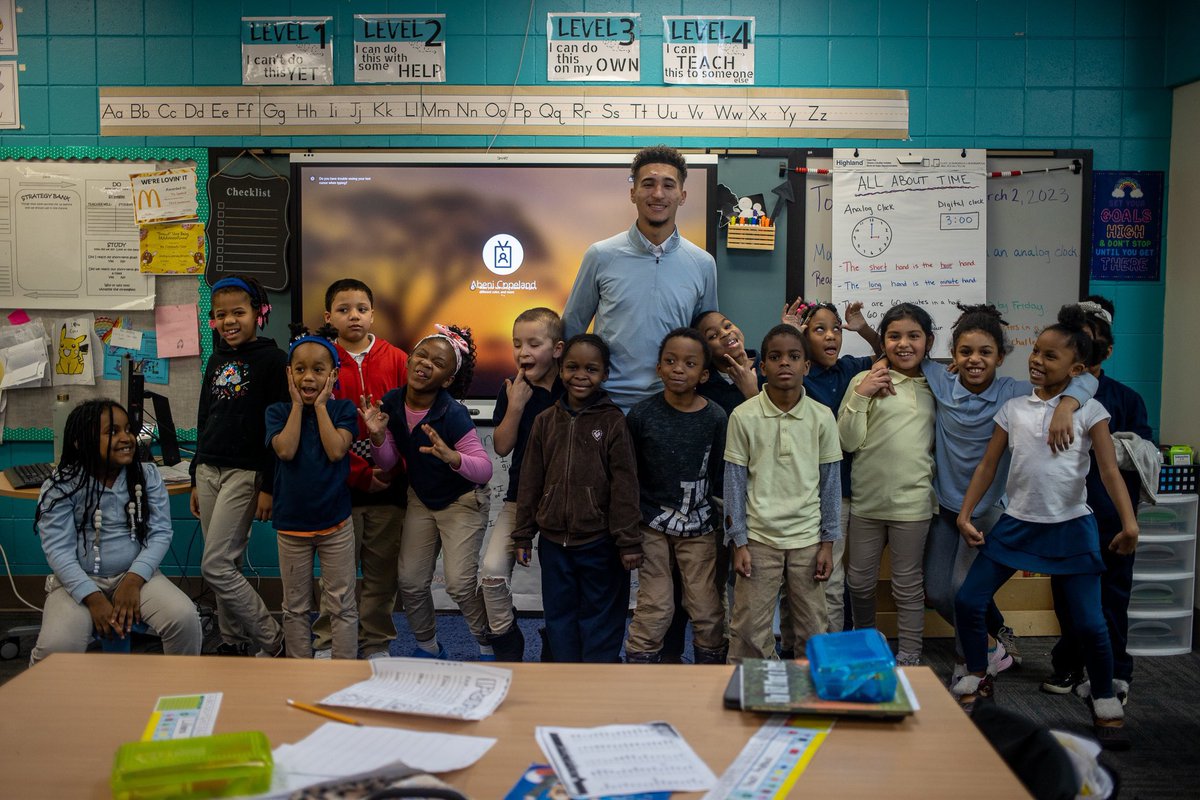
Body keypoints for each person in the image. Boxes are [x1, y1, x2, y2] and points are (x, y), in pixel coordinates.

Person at [954, 310, 1138, 749]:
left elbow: (1111, 472)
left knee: (1091, 625)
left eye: (1049, 355)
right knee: (968, 599)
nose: (1036, 359)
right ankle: (978, 675)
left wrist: (1130, 523)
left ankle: (1104, 698)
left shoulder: (1089, 409)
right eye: (1035, 351)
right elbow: (988, 464)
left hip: (1071, 527)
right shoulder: (1014, 408)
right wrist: (965, 514)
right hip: (1017, 524)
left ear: (1075, 369)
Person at [922, 303, 1095, 681]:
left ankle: (969, 665)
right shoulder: (938, 379)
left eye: (986, 352)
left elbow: (1086, 381)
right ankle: (990, 645)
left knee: (960, 591)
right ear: (952, 355)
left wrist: (1068, 403)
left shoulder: (1014, 392)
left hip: (987, 510)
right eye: (965, 352)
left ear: (1001, 356)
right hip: (945, 508)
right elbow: (904, 351)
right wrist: (867, 333)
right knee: (935, 593)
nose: (974, 360)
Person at [30, 400, 202, 664]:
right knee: (58, 645)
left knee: (184, 618)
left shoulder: (146, 476)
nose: (126, 438)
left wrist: (133, 580)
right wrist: (93, 598)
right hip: (77, 581)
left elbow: (160, 533)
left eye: (128, 430)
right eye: (112, 432)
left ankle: (181, 692)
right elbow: (58, 551)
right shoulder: (62, 485)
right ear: (80, 441)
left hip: (136, 576)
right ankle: (43, 702)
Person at [1043, 297, 1153, 707]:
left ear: (1104, 351)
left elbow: (1141, 454)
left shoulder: (1124, 399)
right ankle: (1069, 662)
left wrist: (1099, 441)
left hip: (1108, 517)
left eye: (1091, 346)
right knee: (1067, 597)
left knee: (1111, 598)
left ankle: (1116, 673)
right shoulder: (1049, 396)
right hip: (1064, 515)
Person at [366, 324, 494, 660]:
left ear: (448, 379)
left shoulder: (452, 413)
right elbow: (390, 460)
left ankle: (488, 644)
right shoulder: (393, 402)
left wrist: (454, 458)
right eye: (421, 355)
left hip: (463, 501)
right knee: (410, 581)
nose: (426, 364)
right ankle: (428, 648)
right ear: (409, 360)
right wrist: (378, 438)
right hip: (422, 498)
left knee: (460, 585)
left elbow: (484, 469)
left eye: (437, 363)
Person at [512, 334, 642, 663]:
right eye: (572, 367)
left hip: (600, 544)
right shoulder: (544, 422)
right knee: (560, 617)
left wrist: (628, 541)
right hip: (555, 544)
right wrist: (523, 533)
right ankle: (565, 677)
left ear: (606, 374)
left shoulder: (613, 422)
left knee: (600, 618)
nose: (581, 375)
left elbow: (625, 484)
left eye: (591, 369)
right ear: (560, 369)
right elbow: (530, 481)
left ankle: (599, 678)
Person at [563, 146, 718, 412]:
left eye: (668, 185)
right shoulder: (600, 255)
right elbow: (571, 329)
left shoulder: (703, 264)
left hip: (672, 408)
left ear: (682, 196)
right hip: (606, 407)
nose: (658, 194)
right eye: (648, 184)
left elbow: (705, 339)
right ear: (632, 193)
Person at [725, 324, 842, 661]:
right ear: (762, 368)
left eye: (794, 357)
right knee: (749, 628)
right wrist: (739, 541)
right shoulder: (743, 417)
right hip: (759, 540)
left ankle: (809, 696)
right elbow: (733, 482)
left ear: (806, 366)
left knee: (813, 627)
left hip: (808, 540)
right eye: (775, 357)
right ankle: (757, 692)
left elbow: (830, 484)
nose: (784, 364)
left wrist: (827, 544)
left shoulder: (822, 418)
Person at [310, 278, 408, 660]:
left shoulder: (398, 359)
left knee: (381, 572)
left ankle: (376, 641)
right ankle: (327, 640)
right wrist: (361, 474)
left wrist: (389, 467)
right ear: (328, 316)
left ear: (373, 314)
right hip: (341, 486)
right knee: (337, 573)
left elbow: (405, 422)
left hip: (390, 487)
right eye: (343, 309)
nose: (354, 316)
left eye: (361, 309)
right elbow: (321, 428)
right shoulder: (322, 362)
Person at [191, 275, 288, 657]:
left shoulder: (274, 359)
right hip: (208, 470)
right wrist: (195, 473)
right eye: (220, 315)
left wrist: (268, 485)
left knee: (215, 564)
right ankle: (233, 641)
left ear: (258, 313)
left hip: (245, 473)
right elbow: (204, 417)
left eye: (238, 312)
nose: (229, 321)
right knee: (225, 564)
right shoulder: (216, 359)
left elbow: (276, 427)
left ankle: (272, 638)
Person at [837, 303, 936, 666]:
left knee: (907, 586)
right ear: (885, 342)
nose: (904, 344)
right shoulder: (864, 381)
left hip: (913, 505)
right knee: (859, 583)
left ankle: (910, 656)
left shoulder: (936, 386)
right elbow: (846, 441)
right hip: (867, 502)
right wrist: (862, 394)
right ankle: (866, 642)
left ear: (928, 341)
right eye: (894, 336)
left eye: (914, 336)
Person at [624, 328, 728, 665]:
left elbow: (719, 473)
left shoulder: (715, 416)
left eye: (689, 363)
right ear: (658, 368)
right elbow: (630, 473)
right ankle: (640, 667)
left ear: (704, 373)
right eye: (670, 361)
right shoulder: (641, 415)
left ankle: (709, 672)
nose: (678, 369)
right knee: (655, 604)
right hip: (650, 523)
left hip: (700, 526)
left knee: (706, 606)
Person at [789, 299, 883, 638]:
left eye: (835, 329)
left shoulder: (848, 369)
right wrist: (790, 335)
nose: (831, 336)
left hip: (838, 490)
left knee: (830, 575)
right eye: (819, 330)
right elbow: (760, 379)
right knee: (796, 572)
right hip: (797, 490)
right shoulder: (795, 373)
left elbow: (889, 354)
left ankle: (831, 646)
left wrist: (865, 329)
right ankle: (795, 643)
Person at [266, 325, 359, 659]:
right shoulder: (277, 412)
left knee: (341, 603)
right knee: (294, 606)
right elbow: (286, 450)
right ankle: (298, 671)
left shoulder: (343, 410)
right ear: (289, 374)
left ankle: (345, 668)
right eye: (300, 370)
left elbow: (336, 451)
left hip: (335, 524)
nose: (308, 378)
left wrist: (320, 406)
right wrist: (296, 406)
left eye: (318, 370)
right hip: (292, 527)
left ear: (332, 375)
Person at [480, 308, 565, 661]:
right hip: (519, 499)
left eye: (534, 343)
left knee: (560, 583)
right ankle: (506, 637)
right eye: (517, 344)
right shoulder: (513, 388)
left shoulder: (571, 386)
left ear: (557, 349)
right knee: (492, 572)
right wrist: (515, 407)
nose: (523, 352)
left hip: (563, 503)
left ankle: (555, 641)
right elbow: (501, 446)